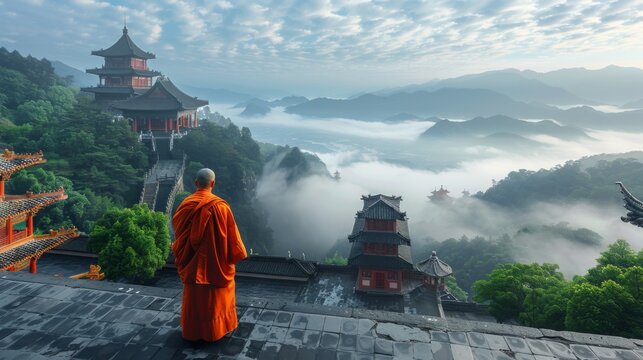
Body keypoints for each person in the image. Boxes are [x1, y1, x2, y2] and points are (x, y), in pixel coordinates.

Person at [172, 168, 248, 342]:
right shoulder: (221, 207)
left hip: (192, 263)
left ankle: (193, 331)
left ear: (196, 183)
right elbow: (232, 239)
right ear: (213, 183)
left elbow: (179, 231)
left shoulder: (185, 205)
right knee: (217, 297)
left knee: (195, 298)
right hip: (216, 264)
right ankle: (217, 330)